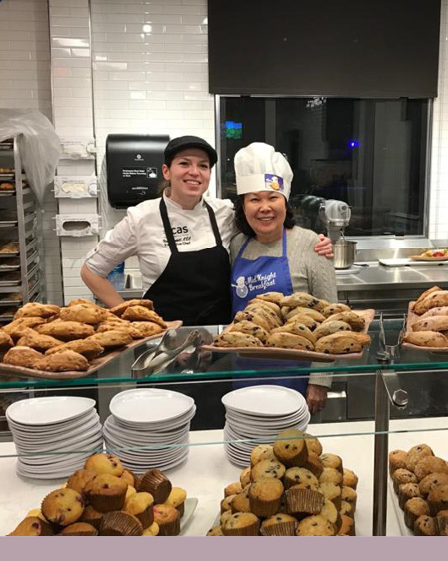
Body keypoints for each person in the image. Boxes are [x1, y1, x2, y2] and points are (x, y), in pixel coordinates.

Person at [81, 136, 332, 326]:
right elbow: (91, 271)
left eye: (203, 165)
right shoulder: (142, 217)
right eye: (184, 163)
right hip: (162, 344)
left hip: (219, 342)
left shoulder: (223, 212)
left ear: (209, 175)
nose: (194, 172)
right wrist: (132, 319)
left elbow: (267, 225)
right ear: (166, 171)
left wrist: (316, 242)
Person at [229, 142, 338, 413]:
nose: (264, 207)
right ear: (243, 206)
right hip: (243, 372)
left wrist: (320, 381)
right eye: (254, 199)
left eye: (272, 198)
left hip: (295, 375)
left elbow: (331, 321)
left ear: (285, 203)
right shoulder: (236, 245)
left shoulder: (311, 243)